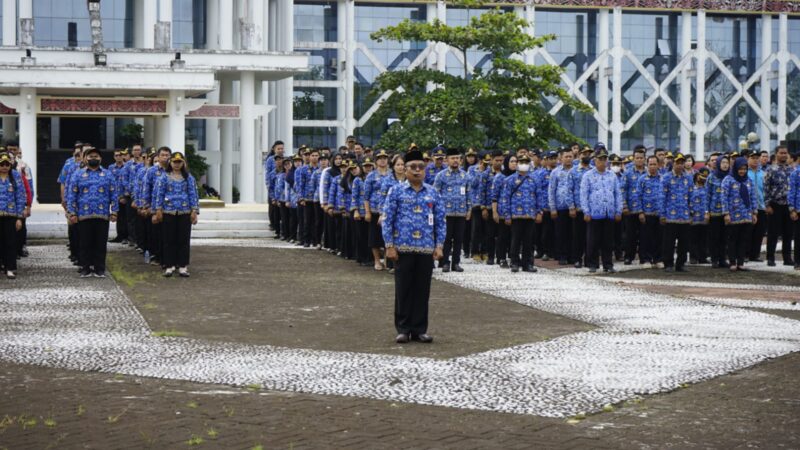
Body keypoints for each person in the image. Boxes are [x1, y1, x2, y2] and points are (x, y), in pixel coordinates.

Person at [382, 148, 445, 344]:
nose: (417, 170)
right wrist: (389, 245)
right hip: (403, 248)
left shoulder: (433, 192)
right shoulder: (396, 191)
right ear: (405, 170)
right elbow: (387, 219)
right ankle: (403, 328)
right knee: (403, 289)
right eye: (412, 167)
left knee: (422, 290)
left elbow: (441, 221)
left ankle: (419, 329)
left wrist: (440, 245)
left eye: (420, 167)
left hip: (426, 248)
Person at [66, 146, 118, 278]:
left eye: (96, 156)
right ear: (85, 158)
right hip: (84, 215)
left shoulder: (108, 174)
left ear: (100, 158)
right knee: (84, 243)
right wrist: (72, 212)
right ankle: (85, 268)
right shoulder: (78, 174)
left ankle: (100, 268)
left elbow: (114, 193)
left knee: (100, 243)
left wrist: (115, 211)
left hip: (102, 215)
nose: (93, 158)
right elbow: (72, 194)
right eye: (90, 156)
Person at [153, 152, 199, 277]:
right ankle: (169, 265)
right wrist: (158, 210)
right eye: (174, 162)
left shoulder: (189, 177)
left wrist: (194, 211)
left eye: (179, 162)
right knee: (168, 240)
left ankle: (183, 266)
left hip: (185, 212)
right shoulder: (164, 177)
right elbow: (159, 194)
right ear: (170, 163)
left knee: (183, 239)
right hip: (168, 211)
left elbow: (193, 194)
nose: (177, 165)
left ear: (183, 163)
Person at [579, 148, 622, 273]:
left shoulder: (612, 175)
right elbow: (584, 194)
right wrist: (586, 211)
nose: (603, 162)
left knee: (608, 241)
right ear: (595, 160)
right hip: (594, 213)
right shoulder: (588, 175)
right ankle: (593, 264)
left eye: (605, 159)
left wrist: (618, 210)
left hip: (609, 213)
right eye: (600, 159)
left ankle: (608, 264)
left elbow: (617, 194)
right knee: (593, 240)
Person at [502, 154, 542, 273]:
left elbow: (539, 197)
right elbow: (505, 198)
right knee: (515, 240)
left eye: (526, 162)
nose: (523, 164)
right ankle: (514, 262)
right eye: (521, 162)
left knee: (529, 241)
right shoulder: (509, 180)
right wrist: (507, 215)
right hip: (515, 215)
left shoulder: (535, 179)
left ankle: (527, 264)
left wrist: (539, 212)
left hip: (530, 215)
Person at [433, 147, 470, 273]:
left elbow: (468, 193)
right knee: (446, 238)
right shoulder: (441, 176)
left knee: (459, 239)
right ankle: (444, 263)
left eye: (457, 158)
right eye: (453, 158)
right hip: (445, 213)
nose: (455, 160)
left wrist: (469, 209)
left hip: (461, 212)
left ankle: (456, 263)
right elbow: (435, 194)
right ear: (447, 160)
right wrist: (437, 211)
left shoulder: (465, 175)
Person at [722, 157, 758, 271]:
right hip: (733, 215)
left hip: (746, 215)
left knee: (743, 240)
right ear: (735, 168)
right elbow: (724, 197)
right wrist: (726, 213)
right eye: (740, 169)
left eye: (744, 169)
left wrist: (754, 213)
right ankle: (732, 262)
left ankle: (741, 262)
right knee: (733, 239)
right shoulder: (728, 180)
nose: (742, 171)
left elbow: (753, 197)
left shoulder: (748, 180)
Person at [660, 153, 693, 273]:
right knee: (669, 241)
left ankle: (681, 264)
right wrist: (662, 214)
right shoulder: (666, 177)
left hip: (684, 215)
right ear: (673, 163)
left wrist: (691, 213)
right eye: (677, 163)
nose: (680, 165)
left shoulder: (688, 178)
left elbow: (691, 196)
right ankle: (668, 263)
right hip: (670, 216)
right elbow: (662, 197)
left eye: (682, 163)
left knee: (684, 242)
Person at [764, 145, 794, 266]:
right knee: (773, 233)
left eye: (785, 153)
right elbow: (766, 188)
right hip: (775, 205)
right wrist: (767, 204)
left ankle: (787, 258)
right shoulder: (770, 170)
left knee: (788, 233)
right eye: (781, 153)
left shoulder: (791, 170)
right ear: (776, 154)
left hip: (789, 205)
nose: (783, 155)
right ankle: (770, 258)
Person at [378, 154, 407, 273]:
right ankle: (391, 264)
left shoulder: (409, 178)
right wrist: (381, 214)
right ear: (393, 166)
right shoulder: (387, 180)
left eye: (402, 164)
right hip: (391, 213)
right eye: (398, 165)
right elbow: (382, 198)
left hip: (406, 213)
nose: (400, 167)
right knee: (391, 237)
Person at [0, 152, 26, 279]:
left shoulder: (15, 176)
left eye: (7, 164)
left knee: (10, 242)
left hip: (11, 215)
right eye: (2, 164)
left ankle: (10, 268)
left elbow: (20, 197)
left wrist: (19, 218)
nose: (4, 167)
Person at [364, 149, 391, 270]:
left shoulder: (392, 174)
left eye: (385, 158)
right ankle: (376, 260)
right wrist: (367, 212)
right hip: (375, 210)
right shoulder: (371, 175)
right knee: (374, 237)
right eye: (380, 158)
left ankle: (387, 259)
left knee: (387, 236)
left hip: (389, 209)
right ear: (376, 161)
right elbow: (366, 196)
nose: (383, 160)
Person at [548, 147, 576, 265]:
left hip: (574, 207)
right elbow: (551, 190)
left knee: (573, 233)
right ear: (561, 158)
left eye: (570, 156)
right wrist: (552, 208)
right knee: (561, 233)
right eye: (566, 156)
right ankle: (562, 255)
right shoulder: (556, 172)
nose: (568, 159)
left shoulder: (576, 171)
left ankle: (572, 256)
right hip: (560, 207)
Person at [570, 146, 594, 268]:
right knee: (577, 236)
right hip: (578, 208)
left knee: (590, 237)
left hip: (590, 209)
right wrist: (571, 207)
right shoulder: (574, 171)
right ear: (579, 155)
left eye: (589, 154)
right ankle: (577, 259)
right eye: (584, 154)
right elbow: (569, 190)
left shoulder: (593, 170)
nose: (586, 156)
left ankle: (588, 260)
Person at [492, 154, 517, 268]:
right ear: (506, 163)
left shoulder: (519, 177)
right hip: (503, 211)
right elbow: (494, 196)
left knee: (514, 236)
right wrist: (494, 212)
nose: (514, 164)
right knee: (503, 236)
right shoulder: (499, 177)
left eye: (516, 161)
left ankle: (513, 257)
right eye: (511, 161)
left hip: (516, 212)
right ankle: (501, 257)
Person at [623, 146, 646, 264]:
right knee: (630, 235)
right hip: (631, 209)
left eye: (641, 158)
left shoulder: (648, 172)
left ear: (644, 159)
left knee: (644, 235)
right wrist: (624, 206)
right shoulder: (627, 172)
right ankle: (629, 256)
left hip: (645, 210)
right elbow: (623, 190)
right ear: (634, 159)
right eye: (637, 158)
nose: (639, 160)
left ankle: (643, 257)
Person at [638, 155, 663, 267]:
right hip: (646, 213)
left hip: (659, 214)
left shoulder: (663, 179)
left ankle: (658, 259)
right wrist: (640, 212)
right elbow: (637, 196)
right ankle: (646, 259)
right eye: (650, 164)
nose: (652, 166)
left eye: (654, 164)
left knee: (659, 238)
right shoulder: (642, 179)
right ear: (647, 165)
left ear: (658, 165)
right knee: (645, 238)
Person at [707, 154, 730, 268]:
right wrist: (707, 211)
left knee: (724, 237)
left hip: (727, 213)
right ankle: (714, 259)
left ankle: (722, 259)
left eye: (727, 162)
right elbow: (707, 195)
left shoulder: (731, 177)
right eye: (723, 163)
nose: (725, 165)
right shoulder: (712, 177)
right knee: (714, 237)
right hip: (714, 211)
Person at [482, 150, 504, 265]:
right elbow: (482, 191)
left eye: (501, 160)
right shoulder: (486, 174)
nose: (499, 163)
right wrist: (483, 208)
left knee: (501, 234)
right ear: (491, 160)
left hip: (502, 208)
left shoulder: (505, 173)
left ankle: (500, 257)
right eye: (497, 160)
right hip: (489, 207)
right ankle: (490, 256)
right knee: (490, 234)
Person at [747, 151, 766, 262]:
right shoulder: (744, 173)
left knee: (759, 232)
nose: (755, 160)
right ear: (748, 159)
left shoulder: (763, 173)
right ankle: (745, 254)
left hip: (761, 207)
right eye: (752, 158)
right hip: (748, 208)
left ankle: (755, 255)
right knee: (748, 231)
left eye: (756, 158)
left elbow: (766, 190)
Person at [689, 168, 710, 264]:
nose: (702, 178)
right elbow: (688, 201)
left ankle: (703, 257)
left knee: (704, 239)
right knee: (693, 238)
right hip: (694, 217)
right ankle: (693, 257)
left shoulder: (707, 189)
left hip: (705, 217)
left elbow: (709, 202)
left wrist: (708, 213)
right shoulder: (691, 188)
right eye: (700, 176)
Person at [788, 161, 800, 270]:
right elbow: (791, 191)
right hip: (798, 209)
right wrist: (792, 209)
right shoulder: (795, 173)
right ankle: (798, 261)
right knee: (798, 237)